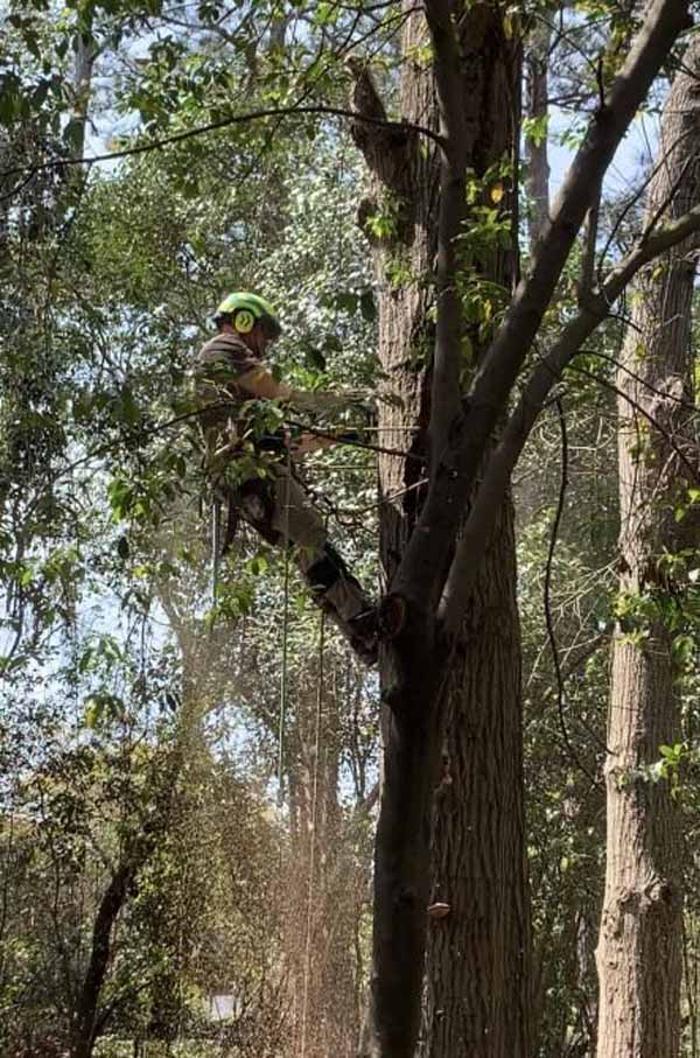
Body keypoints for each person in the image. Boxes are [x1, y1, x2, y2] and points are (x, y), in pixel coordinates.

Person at [193, 291, 378, 664]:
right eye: (264, 335)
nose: (264, 348)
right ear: (244, 322)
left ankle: (360, 635)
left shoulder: (242, 405)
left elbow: (289, 444)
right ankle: (364, 619)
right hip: (247, 471)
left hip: (248, 474)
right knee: (312, 538)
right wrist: (340, 401)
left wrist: (346, 436)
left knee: (308, 555)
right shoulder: (222, 349)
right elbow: (280, 393)